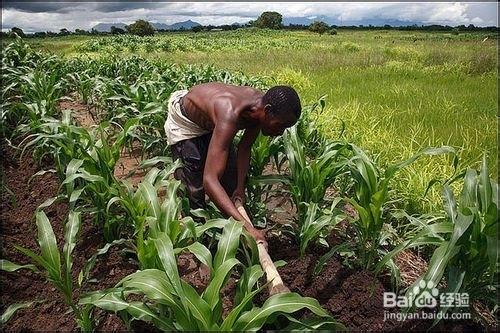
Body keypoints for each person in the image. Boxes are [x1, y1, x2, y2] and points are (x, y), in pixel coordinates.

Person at [164, 82, 301, 247]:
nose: (280, 132)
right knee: (195, 191)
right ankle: (199, 246)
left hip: (212, 122)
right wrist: (246, 227)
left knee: (231, 178)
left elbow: (245, 147)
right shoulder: (231, 113)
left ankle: (234, 237)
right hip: (186, 123)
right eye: (280, 125)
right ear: (267, 111)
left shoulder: (259, 110)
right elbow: (210, 181)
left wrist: (240, 187)